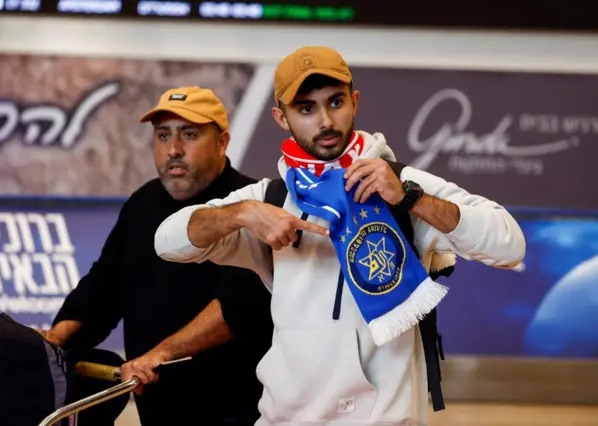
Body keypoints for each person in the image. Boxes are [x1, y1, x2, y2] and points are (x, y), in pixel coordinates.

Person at [153, 47, 526, 426]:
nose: (326, 121)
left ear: (355, 101)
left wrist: (411, 198)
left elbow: (509, 245)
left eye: (335, 102)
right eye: (306, 108)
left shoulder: (401, 184)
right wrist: (242, 215)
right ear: (281, 118)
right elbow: (167, 242)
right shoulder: (270, 198)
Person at [44, 86, 274, 426]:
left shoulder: (249, 205)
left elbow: (237, 307)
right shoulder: (142, 204)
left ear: (222, 142)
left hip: (237, 409)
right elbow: (103, 287)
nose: (174, 150)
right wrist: (53, 341)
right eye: (163, 135)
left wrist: (159, 354)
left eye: (190, 135)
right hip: (159, 407)